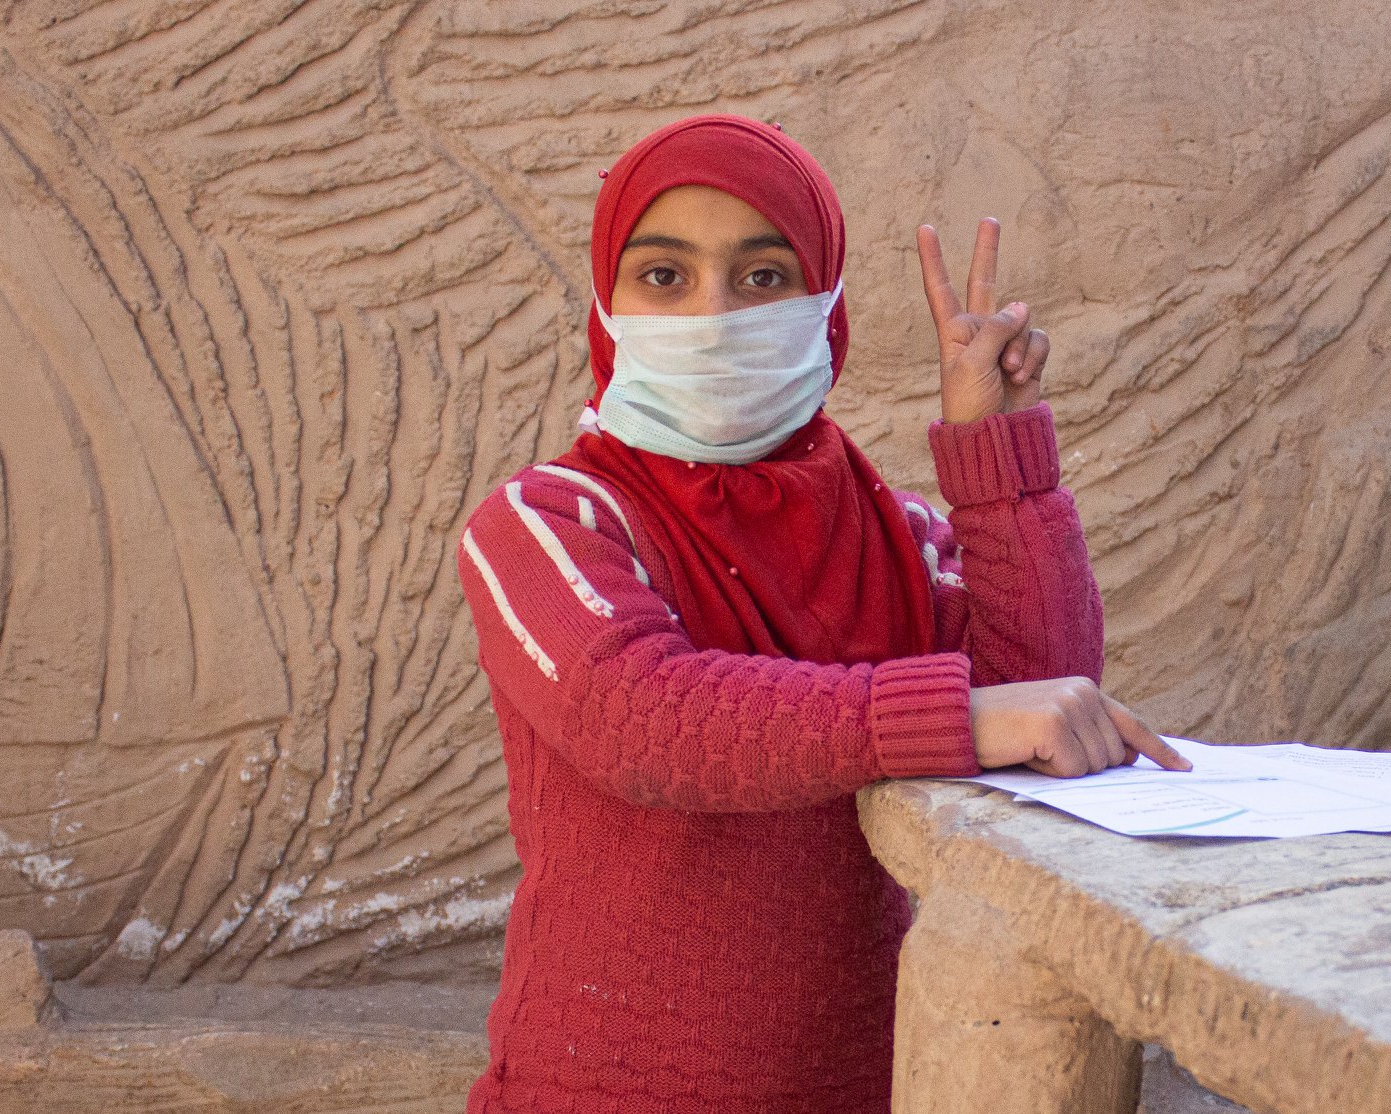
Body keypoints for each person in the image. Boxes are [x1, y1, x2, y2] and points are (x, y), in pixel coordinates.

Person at [456, 114, 1189, 1114]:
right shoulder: (550, 520)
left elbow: (1039, 689)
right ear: (607, 306)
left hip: (864, 1085)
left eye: (763, 278)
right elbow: (639, 717)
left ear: (826, 307)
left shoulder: (896, 536)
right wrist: (951, 717)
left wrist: (996, 449)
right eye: (663, 276)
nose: (713, 314)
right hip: (600, 1088)